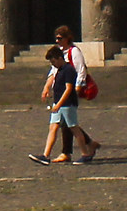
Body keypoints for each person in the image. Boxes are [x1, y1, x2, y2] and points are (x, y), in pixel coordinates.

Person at [51, 25, 101, 161]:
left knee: (68, 121)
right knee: (67, 121)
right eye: (56, 38)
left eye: (60, 38)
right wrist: (48, 85)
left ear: (67, 38)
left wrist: (78, 87)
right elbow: (54, 71)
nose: (57, 41)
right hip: (61, 88)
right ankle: (87, 144)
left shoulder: (74, 51)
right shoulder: (59, 52)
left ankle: (68, 152)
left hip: (70, 88)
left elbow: (81, 69)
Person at [33, 44, 78, 165]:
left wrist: (59, 104)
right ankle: (45, 155)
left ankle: (86, 151)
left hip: (66, 104)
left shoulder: (68, 68)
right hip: (58, 103)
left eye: (53, 61)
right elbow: (52, 77)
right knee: (53, 127)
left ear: (59, 58)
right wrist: (47, 88)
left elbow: (69, 88)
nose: (52, 64)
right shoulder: (58, 70)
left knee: (74, 128)